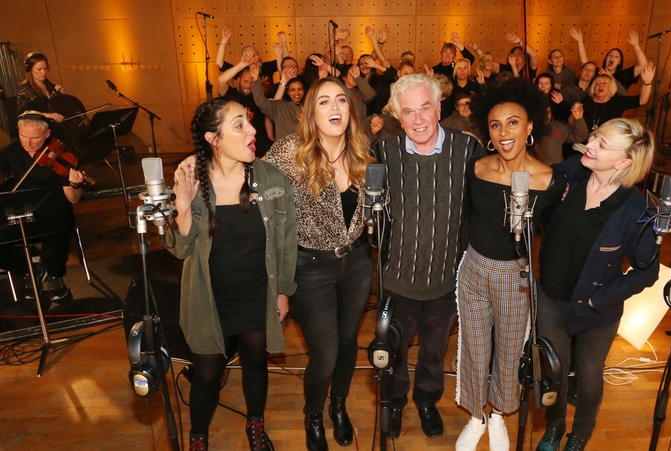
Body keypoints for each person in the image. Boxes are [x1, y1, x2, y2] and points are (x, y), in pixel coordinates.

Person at [167, 97, 298, 451]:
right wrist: (182, 205)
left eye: (249, 121)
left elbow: (286, 241)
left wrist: (283, 290)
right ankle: (199, 437)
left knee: (256, 360)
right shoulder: (192, 178)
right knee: (208, 372)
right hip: (209, 295)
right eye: (239, 124)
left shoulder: (271, 179)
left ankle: (255, 423)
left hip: (257, 289)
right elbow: (180, 248)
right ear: (214, 138)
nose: (252, 130)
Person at [454, 78, 567, 451]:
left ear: (530, 125)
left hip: (514, 276)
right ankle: (476, 415)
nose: (504, 132)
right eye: (495, 124)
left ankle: (500, 413)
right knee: (473, 346)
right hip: (473, 269)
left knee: (508, 350)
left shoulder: (549, 180)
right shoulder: (477, 169)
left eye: (513, 122)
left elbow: (553, 237)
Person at [535, 118, 660, 451]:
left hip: (596, 309)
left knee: (588, 378)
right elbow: (547, 176)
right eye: (594, 137)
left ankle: (580, 435)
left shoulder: (635, 209)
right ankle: (555, 426)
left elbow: (646, 272)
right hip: (549, 296)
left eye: (602, 144)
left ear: (623, 162)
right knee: (554, 372)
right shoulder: (576, 170)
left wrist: (597, 301)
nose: (589, 145)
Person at [372, 74, 485, 440]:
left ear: (439, 109)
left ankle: (426, 401)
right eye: (409, 111)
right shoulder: (383, 152)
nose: (418, 119)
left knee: (434, 352)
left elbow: (490, 195)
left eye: (425, 108)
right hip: (397, 277)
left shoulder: (467, 149)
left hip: (445, 279)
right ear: (397, 116)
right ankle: (394, 403)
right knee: (395, 351)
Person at [266, 77, 375, 451]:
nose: (334, 108)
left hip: (357, 263)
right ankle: (313, 414)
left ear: (350, 109)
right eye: (324, 102)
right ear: (311, 112)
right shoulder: (290, 151)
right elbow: (249, 177)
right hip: (309, 266)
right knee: (325, 353)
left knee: (347, 345)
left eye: (341, 100)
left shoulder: (363, 151)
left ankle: (338, 406)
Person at [0, 111, 87, 302]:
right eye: (24, 136)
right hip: (21, 211)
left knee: (54, 241)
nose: (28, 143)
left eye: (34, 138)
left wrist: (75, 184)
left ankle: (55, 276)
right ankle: (27, 269)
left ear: (47, 135)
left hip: (54, 212)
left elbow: (73, 199)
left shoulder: (60, 154)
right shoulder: (14, 149)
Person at [218, 51, 273, 157]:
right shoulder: (230, 93)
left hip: (259, 141)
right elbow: (221, 80)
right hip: (237, 141)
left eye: (252, 82)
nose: (249, 85)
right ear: (238, 80)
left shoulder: (258, 95)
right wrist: (242, 64)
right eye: (246, 81)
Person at [581, 62, 654, 132]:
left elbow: (642, 100)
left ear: (611, 87)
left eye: (605, 83)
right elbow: (572, 121)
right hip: (584, 143)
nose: (600, 85)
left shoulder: (618, 101)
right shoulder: (585, 101)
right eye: (597, 83)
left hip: (608, 143)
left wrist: (647, 82)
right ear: (593, 87)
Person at [570, 28, 647, 90]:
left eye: (616, 56)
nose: (612, 57)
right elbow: (585, 62)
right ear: (606, 59)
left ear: (619, 62)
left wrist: (636, 45)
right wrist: (580, 41)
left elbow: (643, 66)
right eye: (610, 55)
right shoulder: (598, 72)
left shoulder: (624, 75)